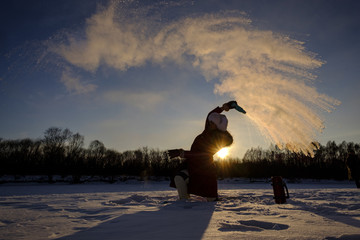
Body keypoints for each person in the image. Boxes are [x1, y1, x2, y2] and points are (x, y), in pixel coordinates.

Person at [168, 101, 244, 201]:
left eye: (212, 122)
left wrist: (182, 153)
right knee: (179, 177)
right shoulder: (207, 129)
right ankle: (183, 202)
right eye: (209, 121)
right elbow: (210, 115)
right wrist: (223, 107)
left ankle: (211, 200)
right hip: (192, 167)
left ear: (216, 127)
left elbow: (203, 154)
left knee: (211, 199)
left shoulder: (217, 141)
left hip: (206, 171)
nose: (209, 123)